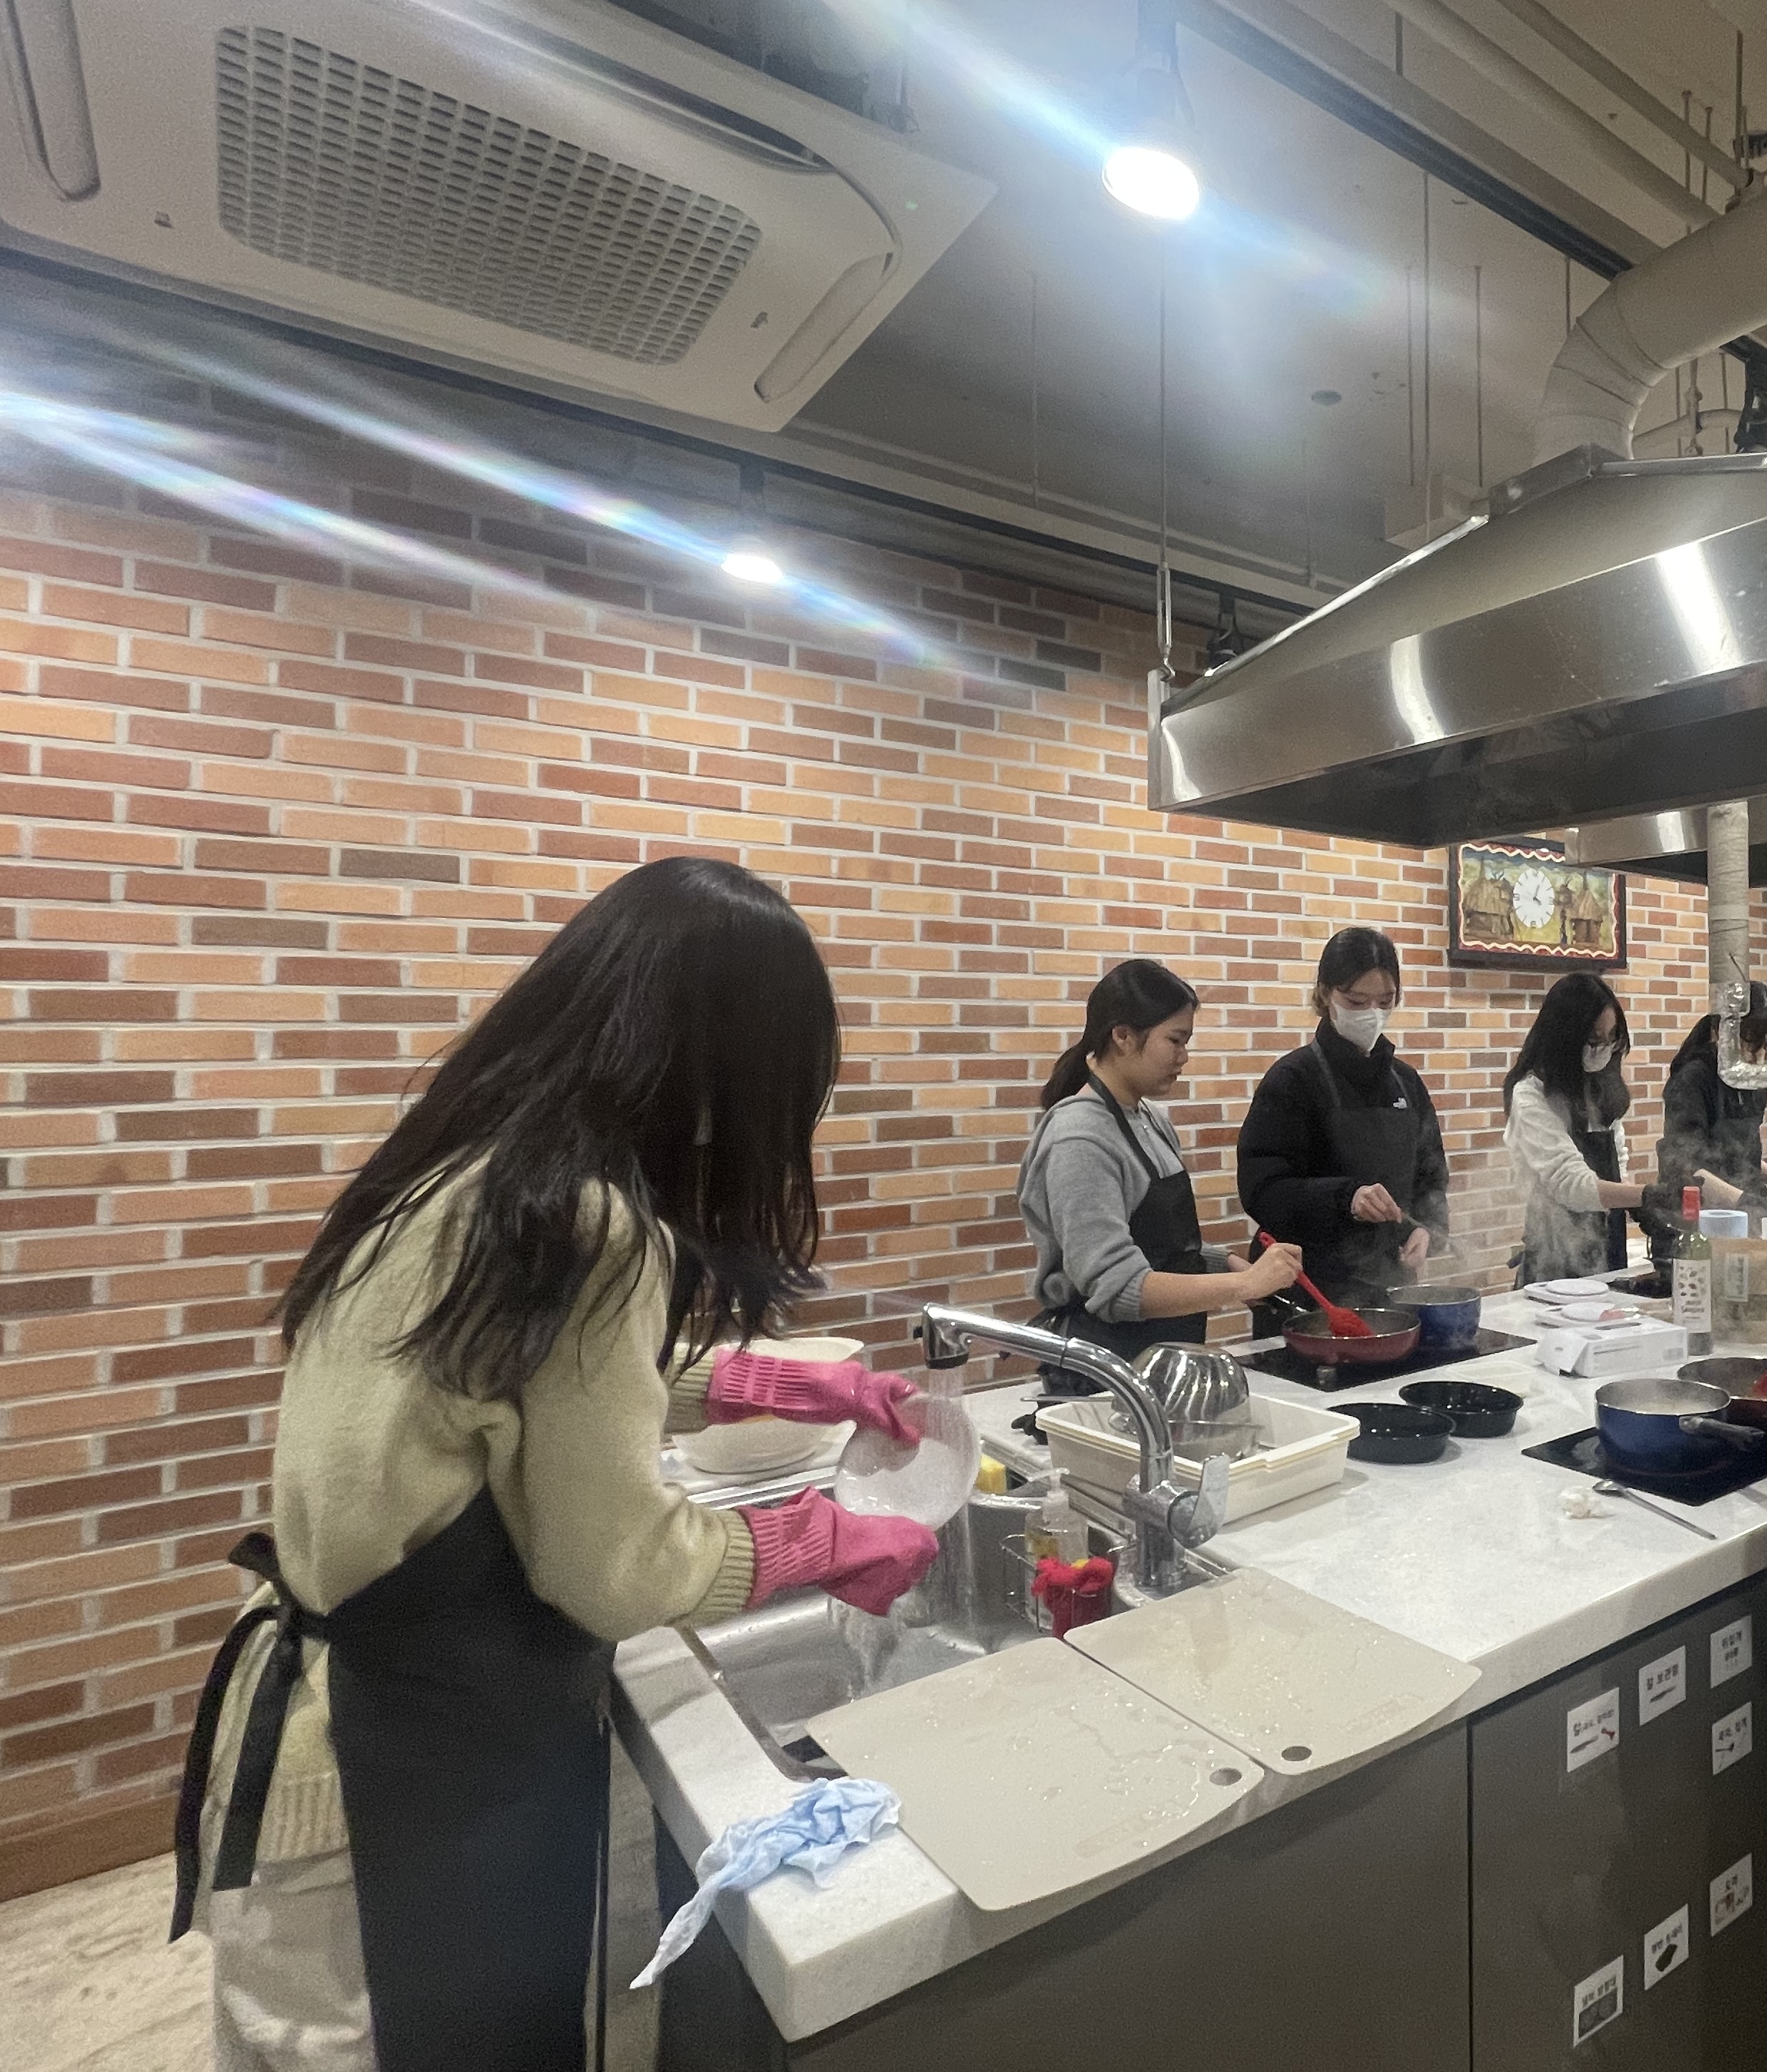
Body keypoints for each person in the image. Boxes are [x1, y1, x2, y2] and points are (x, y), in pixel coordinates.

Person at [172, 857, 942, 2072]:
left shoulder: (475, 1173)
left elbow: (536, 1393)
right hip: (397, 1787)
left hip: (313, 1752)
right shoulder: (594, 1225)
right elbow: (616, 1567)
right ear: (719, 1065)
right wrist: (821, 1539)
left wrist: (785, 1382)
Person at [1019, 959, 1303, 1384]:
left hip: (1160, 1365)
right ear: (1122, 1036)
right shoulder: (1079, 1138)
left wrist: (1227, 1264)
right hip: (1104, 1377)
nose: (1184, 1056)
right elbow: (1117, 1287)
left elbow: (1161, 1246)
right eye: (1175, 1040)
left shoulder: (1150, 1119)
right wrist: (1244, 1287)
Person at [1235, 928, 1452, 1314]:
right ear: (1324, 994)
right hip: (1306, 1291)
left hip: (1390, 1290)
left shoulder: (1406, 1083)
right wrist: (1346, 1198)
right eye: (1356, 1001)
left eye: (1385, 1001)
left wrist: (1427, 1231)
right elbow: (1262, 1189)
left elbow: (1432, 1180)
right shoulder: (1292, 1080)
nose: (1372, 1014)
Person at [1499, 971, 1649, 1284]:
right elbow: (1571, 1185)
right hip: (1553, 1255)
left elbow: (1617, 1162)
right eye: (1594, 1040)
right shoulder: (1531, 1095)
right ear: (1566, 1039)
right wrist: (1647, 1196)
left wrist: (1641, 1207)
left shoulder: (1602, 1090)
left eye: (1611, 1038)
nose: (1603, 1049)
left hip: (1608, 1243)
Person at [1658, 984, 1767, 1212]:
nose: (1759, 1056)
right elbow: (1686, 1165)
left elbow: (1739, 1156)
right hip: (1700, 1211)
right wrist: (1747, 1204)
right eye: (1751, 1042)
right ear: (1719, 1033)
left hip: (1745, 1204)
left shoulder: (1753, 1082)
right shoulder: (1694, 1078)